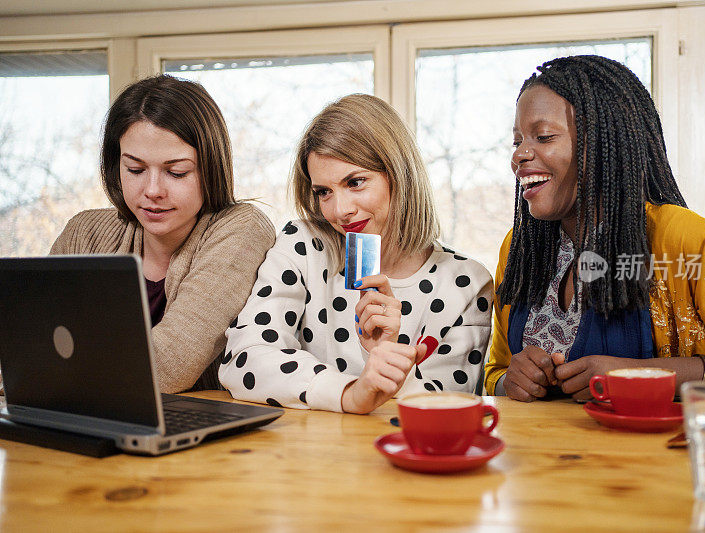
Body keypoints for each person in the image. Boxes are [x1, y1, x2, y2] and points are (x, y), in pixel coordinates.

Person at [485, 55, 705, 402]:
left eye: (543, 136)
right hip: (541, 455)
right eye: (518, 142)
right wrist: (509, 381)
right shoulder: (518, 249)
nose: (520, 155)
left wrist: (651, 376)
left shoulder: (685, 240)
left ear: (605, 141)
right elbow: (496, 371)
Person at [220, 94, 493, 413]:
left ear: (399, 174)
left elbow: (450, 406)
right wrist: (350, 393)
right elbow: (245, 357)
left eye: (356, 182)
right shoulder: (304, 245)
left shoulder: (467, 283)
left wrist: (389, 355)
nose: (340, 210)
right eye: (324, 191)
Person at [50, 75, 275, 393]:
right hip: (87, 420)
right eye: (135, 170)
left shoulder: (242, 228)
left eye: (176, 172)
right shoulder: (84, 232)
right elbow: (24, 351)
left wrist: (57, 373)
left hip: (202, 434)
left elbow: (168, 368)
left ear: (211, 167)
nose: (152, 190)